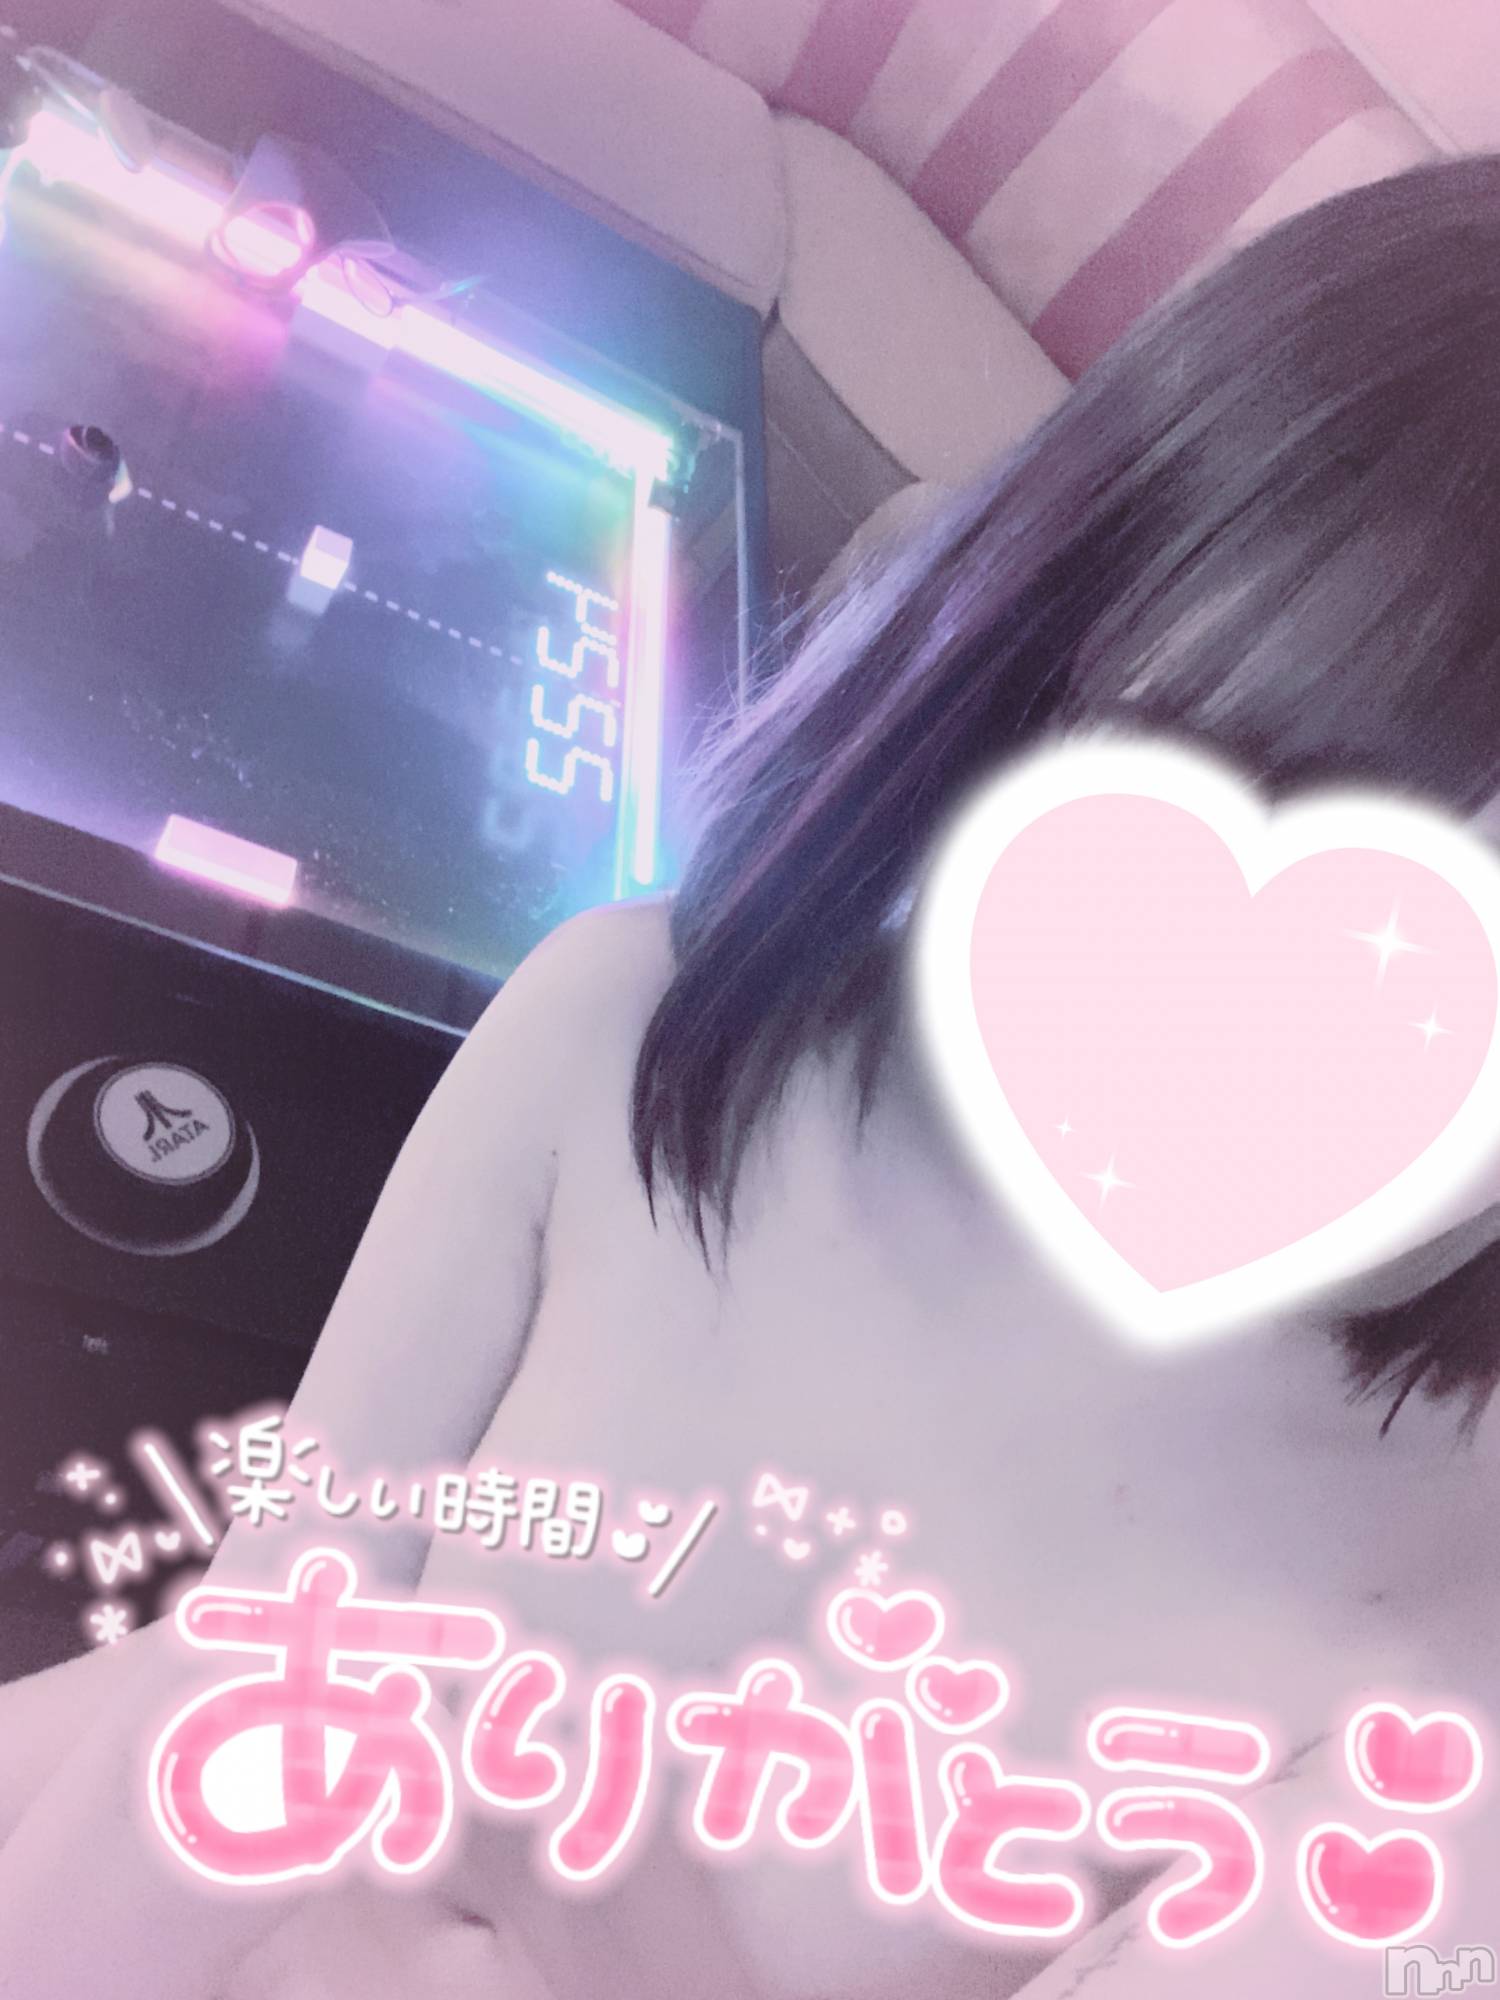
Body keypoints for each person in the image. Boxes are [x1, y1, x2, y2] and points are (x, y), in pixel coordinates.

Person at [4, 152, 1500, 2000]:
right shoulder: (631, 1023)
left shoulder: (1439, 1673)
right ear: (1043, 655)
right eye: (1261, 804)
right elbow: (241, 1688)